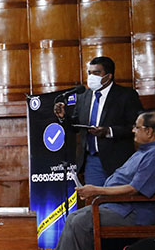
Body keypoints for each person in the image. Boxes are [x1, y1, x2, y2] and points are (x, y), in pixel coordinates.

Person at [43, 110, 155, 250]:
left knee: (81, 221)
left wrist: (97, 191)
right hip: (120, 206)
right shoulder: (147, 150)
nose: (133, 131)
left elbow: (133, 189)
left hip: (134, 211)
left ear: (149, 131)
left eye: (137, 127)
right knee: (75, 216)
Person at [54, 56, 143, 186]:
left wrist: (109, 131)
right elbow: (75, 127)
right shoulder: (84, 96)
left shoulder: (126, 95)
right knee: (96, 201)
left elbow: (136, 126)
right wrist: (63, 117)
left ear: (109, 76)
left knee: (117, 202)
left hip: (118, 160)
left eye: (96, 73)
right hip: (92, 160)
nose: (91, 77)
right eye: (89, 73)